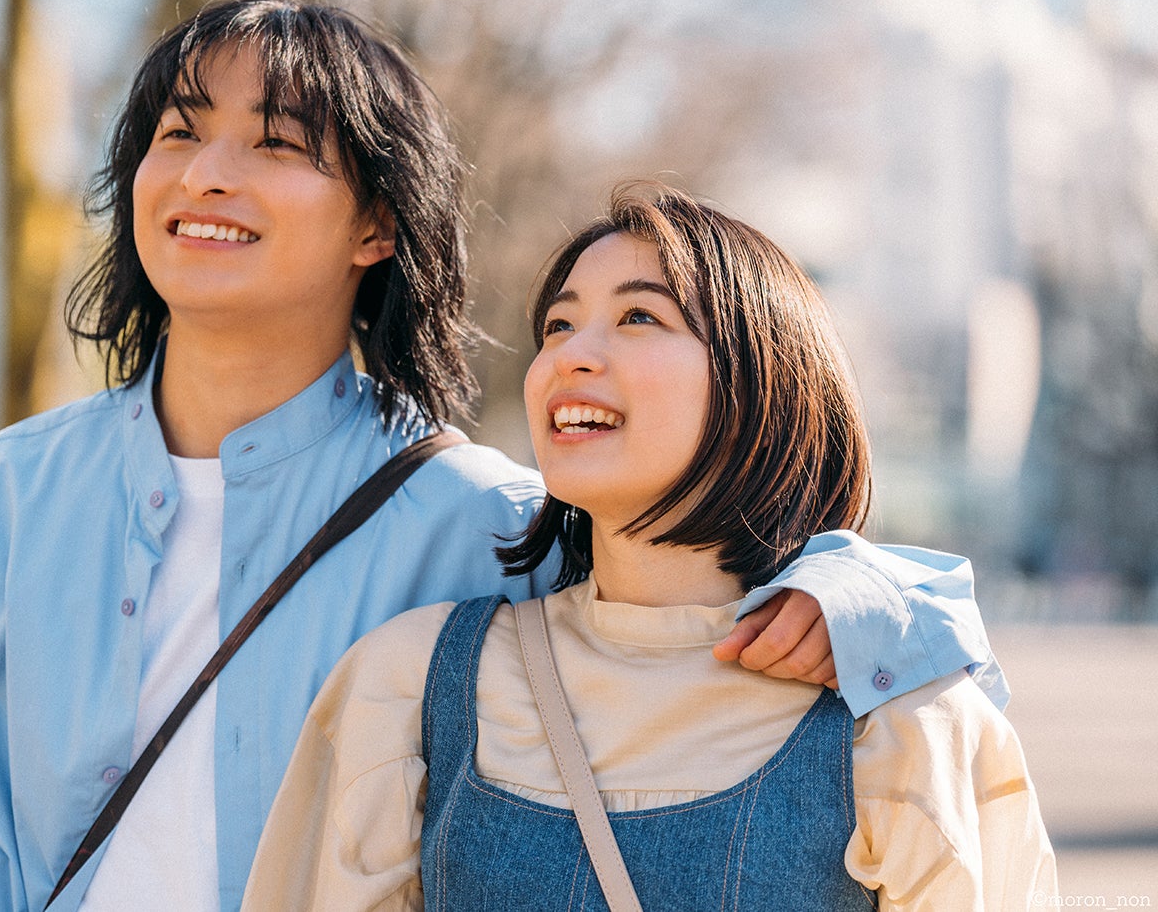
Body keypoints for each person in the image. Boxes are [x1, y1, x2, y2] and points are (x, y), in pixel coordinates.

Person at [0, 1, 1002, 911]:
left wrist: (848, 589)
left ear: (378, 222)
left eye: (273, 144)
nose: (205, 173)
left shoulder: (486, 525)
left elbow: (708, 611)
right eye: (175, 133)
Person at [244, 182, 1054, 910]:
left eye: (640, 315)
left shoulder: (905, 726)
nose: (571, 353)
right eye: (558, 324)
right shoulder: (408, 687)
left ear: (763, 381)